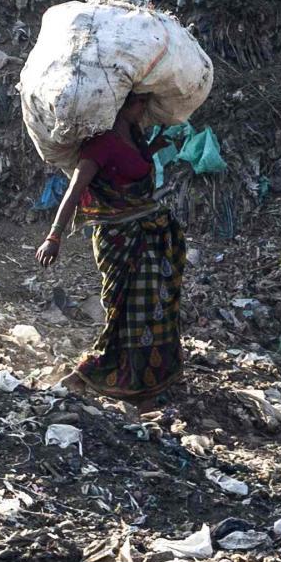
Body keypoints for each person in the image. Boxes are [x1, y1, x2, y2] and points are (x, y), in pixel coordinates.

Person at [33, 90, 185, 401]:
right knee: (126, 309)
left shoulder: (134, 133)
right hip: (120, 239)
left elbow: (131, 170)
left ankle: (150, 377)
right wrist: (54, 235)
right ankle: (100, 373)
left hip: (149, 233)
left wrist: (152, 149)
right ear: (122, 106)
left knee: (156, 301)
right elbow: (75, 191)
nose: (144, 109)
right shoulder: (99, 145)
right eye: (140, 103)